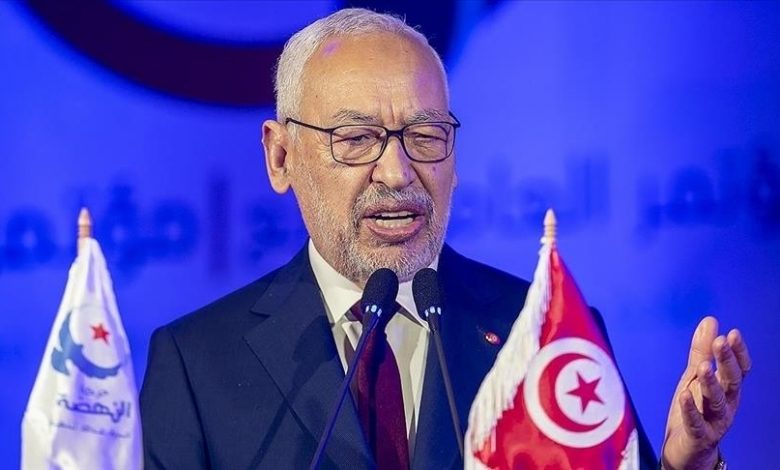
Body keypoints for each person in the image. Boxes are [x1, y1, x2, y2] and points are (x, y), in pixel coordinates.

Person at [140, 8, 751, 470]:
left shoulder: (545, 332)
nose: (397, 172)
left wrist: (686, 464)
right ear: (280, 157)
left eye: (426, 136)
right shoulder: (197, 363)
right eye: (356, 139)